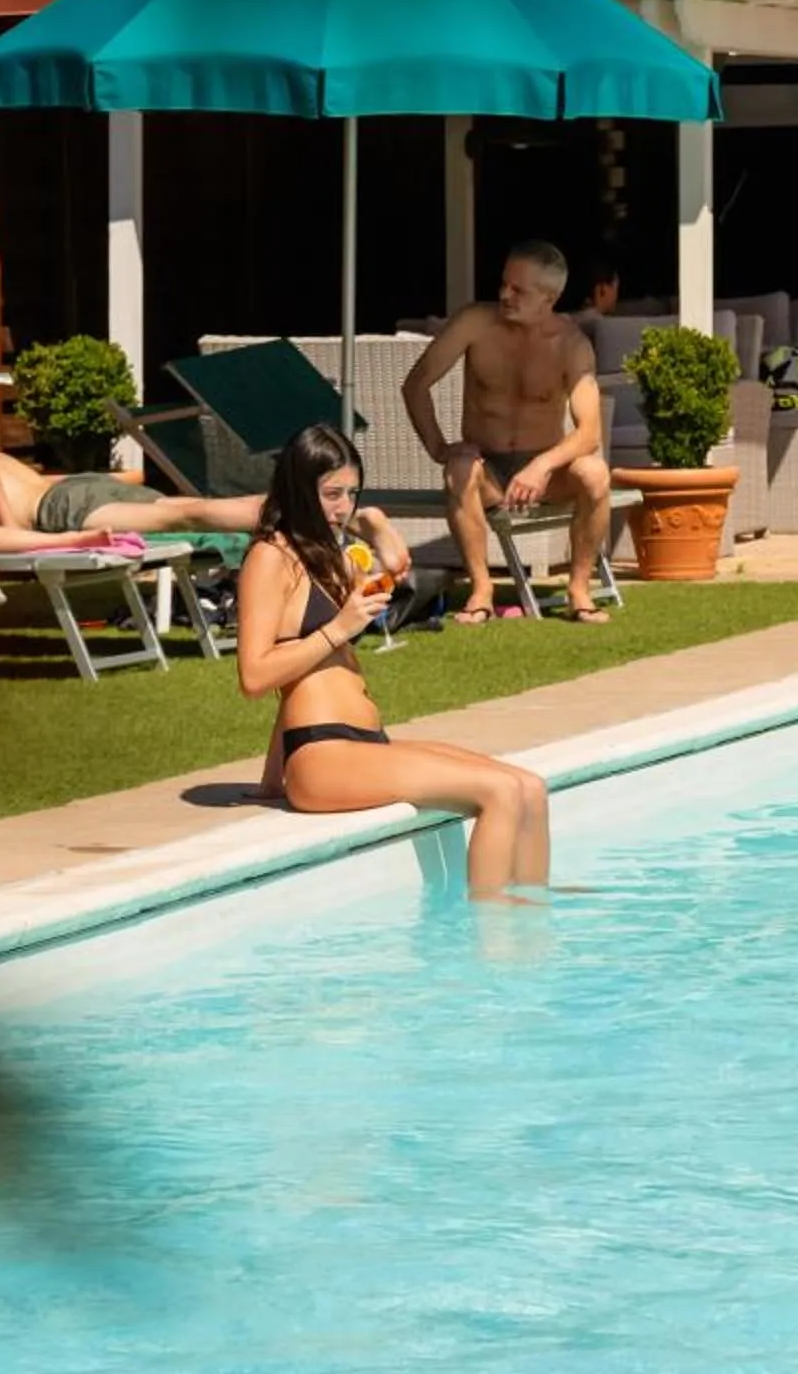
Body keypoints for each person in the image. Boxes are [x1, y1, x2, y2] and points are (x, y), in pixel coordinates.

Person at [236, 423, 554, 902]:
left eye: (351, 493)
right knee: (499, 794)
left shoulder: (325, 556)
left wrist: (378, 526)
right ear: (299, 488)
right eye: (331, 493)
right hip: (323, 754)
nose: (343, 507)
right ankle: (496, 947)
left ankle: (534, 928)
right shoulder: (270, 558)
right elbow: (255, 675)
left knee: (528, 787)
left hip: (358, 743)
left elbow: (389, 577)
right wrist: (339, 627)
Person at [401, 239, 615, 625]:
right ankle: (482, 590)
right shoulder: (474, 323)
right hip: (489, 471)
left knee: (595, 473)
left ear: (549, 298)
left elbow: (590, 434)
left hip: (545, 475)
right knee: (460, 469)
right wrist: (437, 447)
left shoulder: (572, 345)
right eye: (504, 283)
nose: (504, 294)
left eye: (519, 290)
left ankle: (579, 589)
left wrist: (543, 466)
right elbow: (416, 383)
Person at [0, 414, 267, 537]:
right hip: (75, 488)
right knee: (191, 507)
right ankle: (294, 502)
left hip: (55, 507)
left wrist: (10, 529)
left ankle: (295, 510)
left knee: (187, 514)